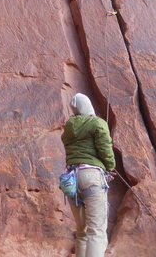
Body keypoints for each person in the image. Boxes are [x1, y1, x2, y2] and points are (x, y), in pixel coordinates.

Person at [61, 93, 115, 257]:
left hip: (71, 179)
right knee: (96, 232)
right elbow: (105, 149)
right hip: (91, 176)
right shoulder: (97, 123)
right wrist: (110, 166)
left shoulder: (69, 127)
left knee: (82, 231)